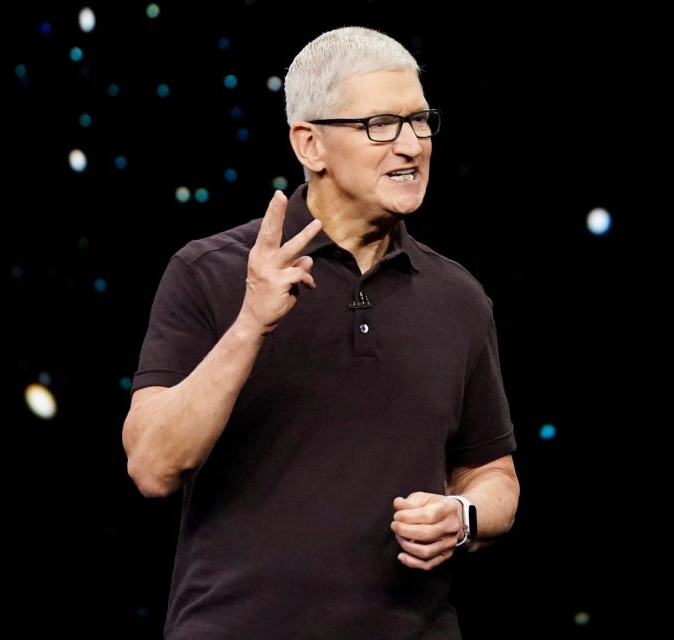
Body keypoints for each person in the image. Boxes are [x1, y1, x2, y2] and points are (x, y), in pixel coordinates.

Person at [122, 26, 519, 639]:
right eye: (380, 125)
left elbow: (492, 473)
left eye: (420, 121)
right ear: (310, 144)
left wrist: (462, 516)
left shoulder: (459, 297)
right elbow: (152, 467)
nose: (411, 145)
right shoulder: (209, 273)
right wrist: (250, 324)